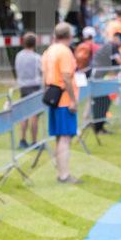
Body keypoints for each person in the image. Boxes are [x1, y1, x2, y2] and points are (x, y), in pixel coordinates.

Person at [42, 22, 80, 184]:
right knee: (65, 138)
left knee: (59, 137)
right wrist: (73, 100)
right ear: (69, 36)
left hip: (54, 97)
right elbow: (66, 77)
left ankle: (61, 172)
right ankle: (64, 175)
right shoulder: (64, 52)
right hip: (64, 100)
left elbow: (44, 75)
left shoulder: (49, 51)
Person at [91, 32, 121, 134]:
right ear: (116, 38)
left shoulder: (111, 47)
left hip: (98, 77)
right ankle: (97, 126)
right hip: (97, 78)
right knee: (101, 102)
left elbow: (119, 60)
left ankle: (97, 124)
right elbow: (120, 61)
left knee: (102, 101)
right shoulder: (112, 46)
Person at [14, 32, 42, 149]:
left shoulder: (18, 56)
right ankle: (34, 141)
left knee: (24, 114)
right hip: (34, 86)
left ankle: (23, 139)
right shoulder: (36, 57)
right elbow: (41, 71)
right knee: (34, 115)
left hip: (23, 87)